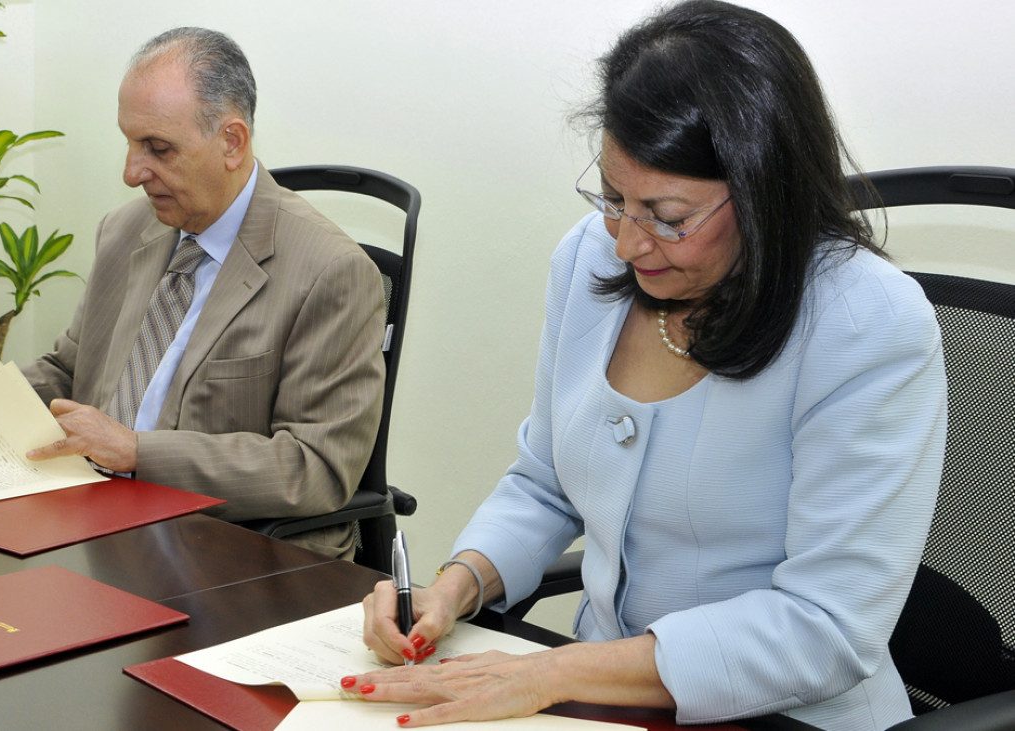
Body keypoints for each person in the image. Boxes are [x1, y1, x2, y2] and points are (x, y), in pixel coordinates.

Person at [350, 2, 945, 729]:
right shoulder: (586, 259)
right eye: (612, 198)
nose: (629, 243)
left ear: (765, 192)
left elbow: (827, 628)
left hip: (786, 715)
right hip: (601, 701)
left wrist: (550, 670)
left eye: (668, 215)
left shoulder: (866, 322)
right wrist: (454, 585)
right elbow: (545, 483)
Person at [0, 27, 385, 559]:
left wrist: (138, 453)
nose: (132, 172)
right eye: (130, 142)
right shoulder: (127, 230)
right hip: (101, 527)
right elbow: (70, 372)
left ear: (231, 142)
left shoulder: (333, 272)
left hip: (229, 550)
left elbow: (316, 468)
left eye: (157, 149)